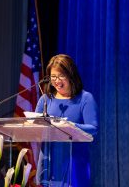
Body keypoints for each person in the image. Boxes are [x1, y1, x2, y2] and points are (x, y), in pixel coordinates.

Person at [35, 54, 98, 187]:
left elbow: (93, 130)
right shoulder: (45, 100)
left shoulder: (85, 99)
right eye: (53, 77)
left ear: (71, 75)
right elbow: (34, 128)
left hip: (74, 165)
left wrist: (68, 126)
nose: (56, 81)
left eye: (61, 76)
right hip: (48, 164)